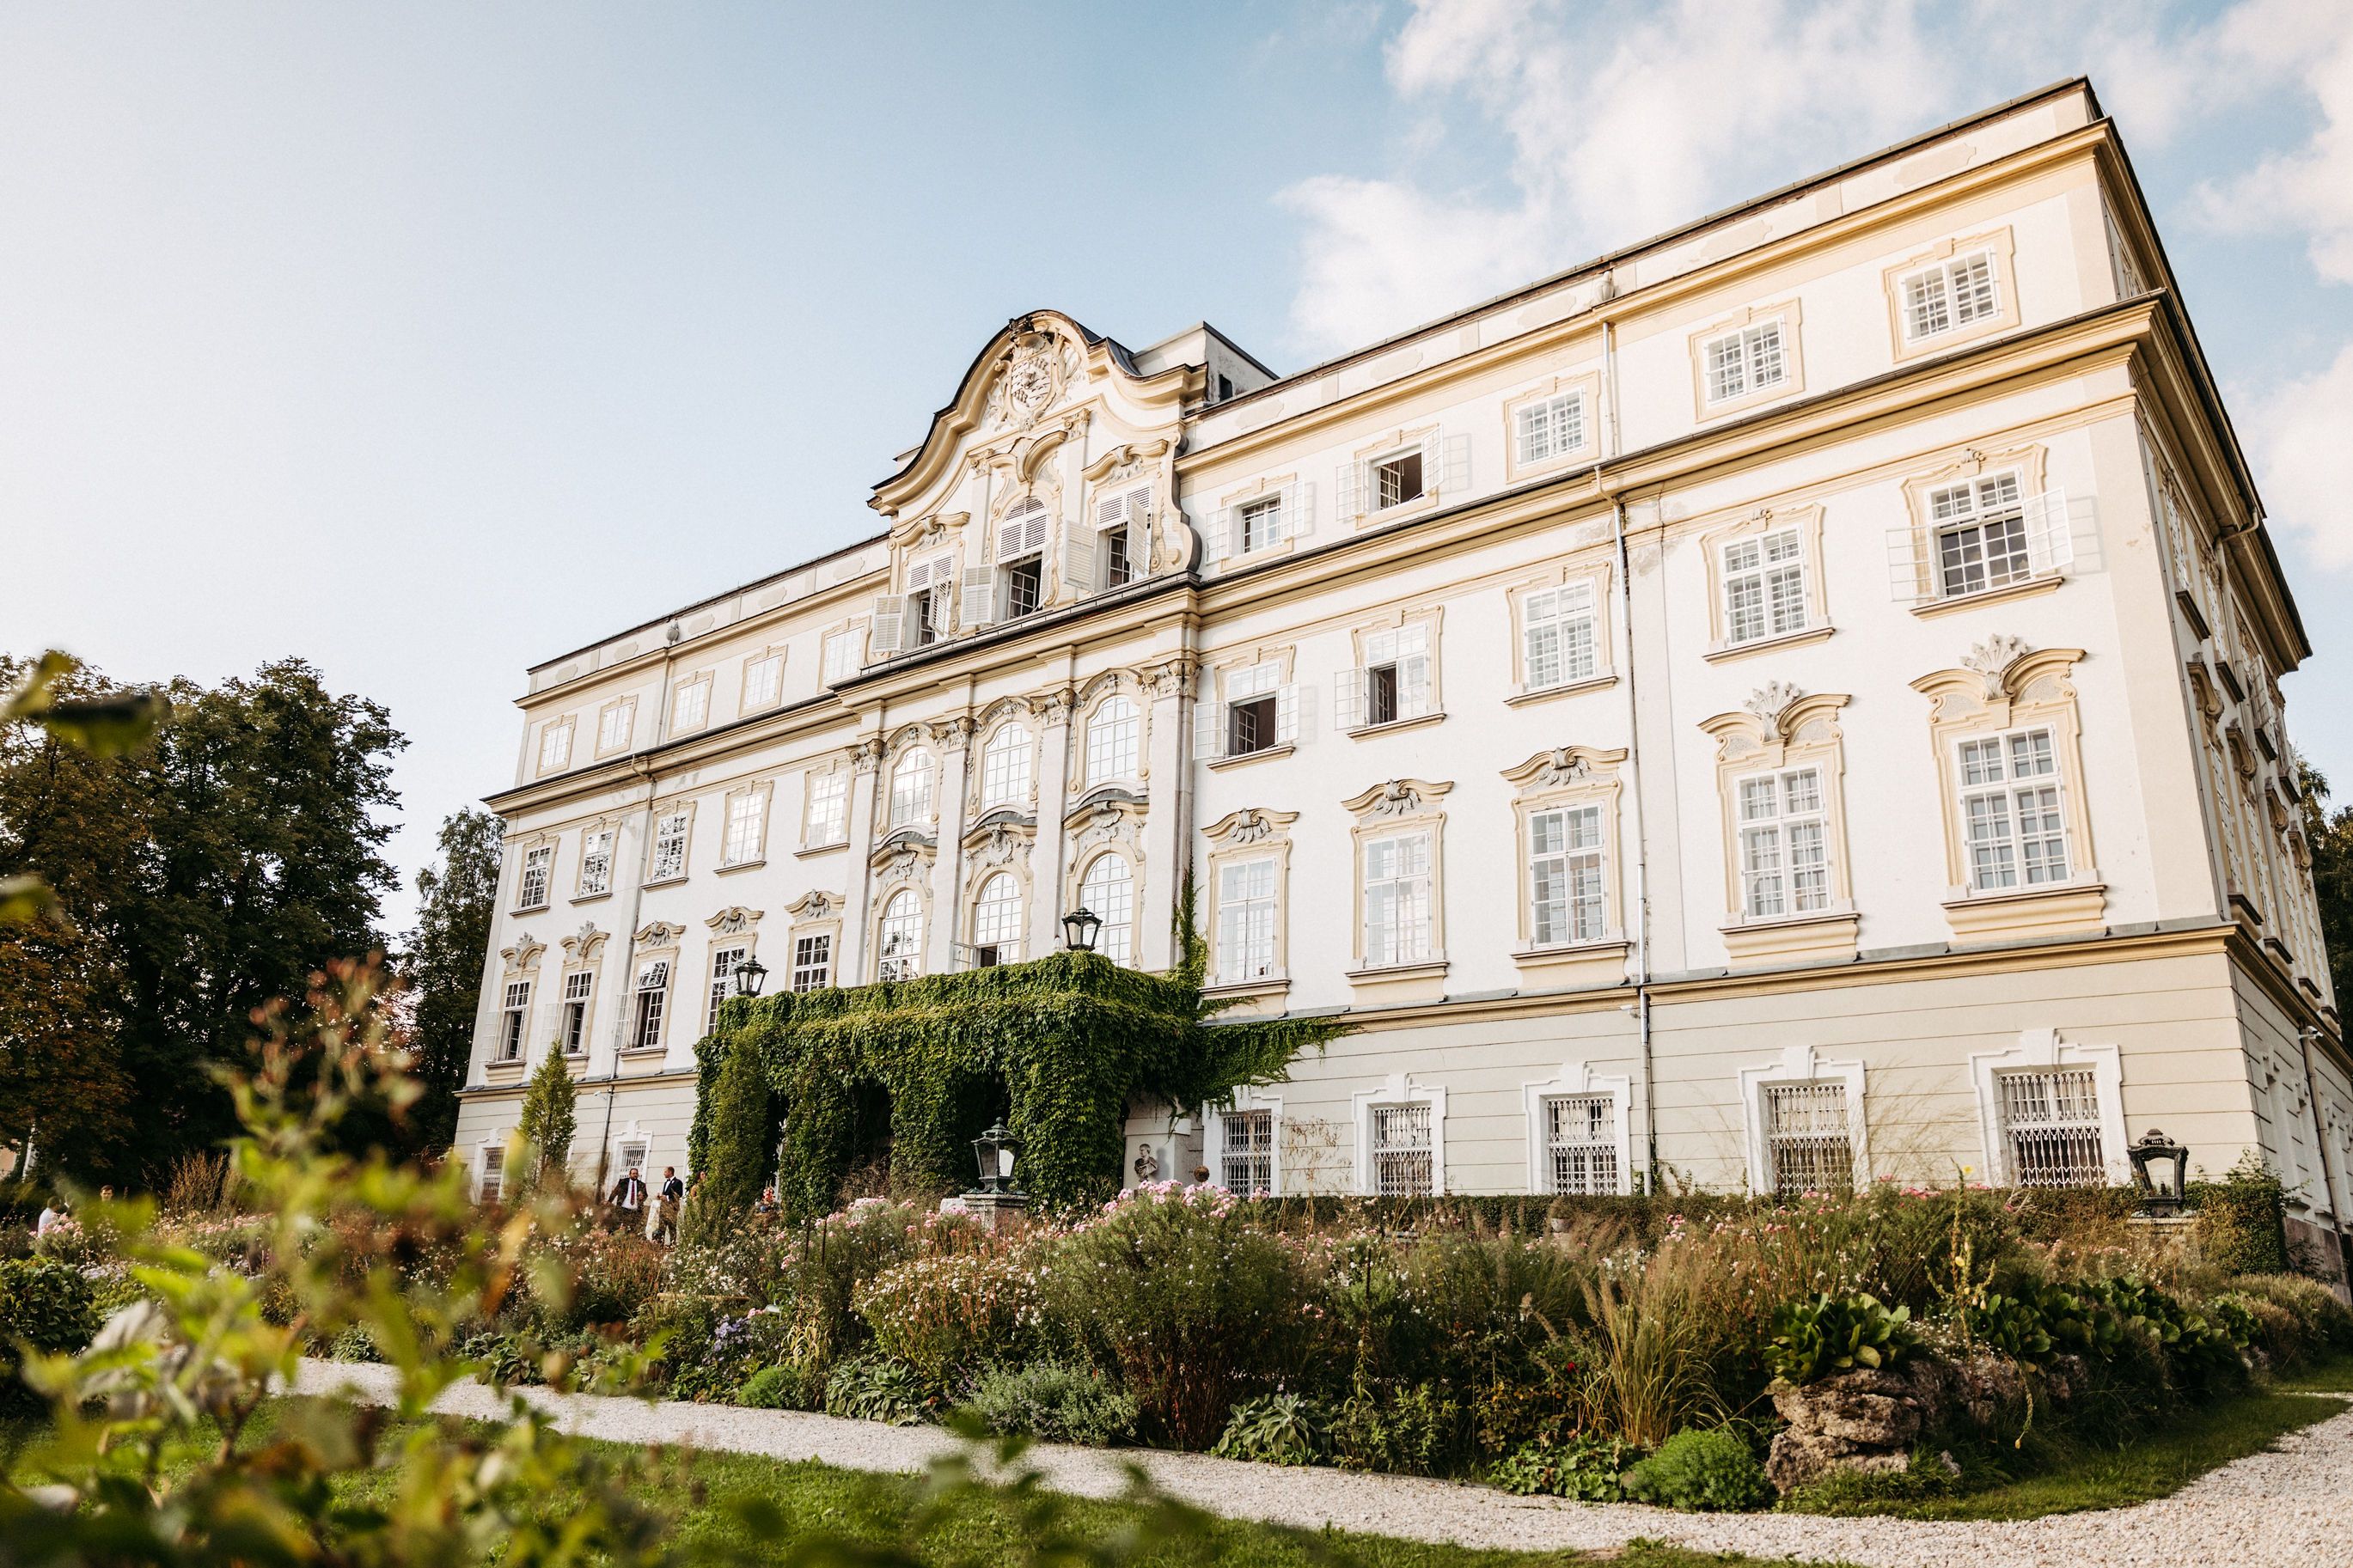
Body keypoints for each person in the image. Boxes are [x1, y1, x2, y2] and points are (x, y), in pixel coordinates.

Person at [608, 1165, 647, 1233]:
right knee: (618, 1227)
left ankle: (628, 1241)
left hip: (635, 1211)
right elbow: (615, 1192)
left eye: (636, 1173)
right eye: (633, 1173)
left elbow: (646, 1195)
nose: (635, 1175)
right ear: (630, 1174)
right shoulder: (623, 1182)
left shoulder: (641, 1184)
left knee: (632, 1229)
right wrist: (609, 1201)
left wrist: (642, 1197)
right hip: (623, 1208)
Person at [654, 1166, 685, 1244]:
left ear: (670, 1172)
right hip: (664, 1208)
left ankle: (672, 1245)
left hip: (672, 1208)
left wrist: (667, 1197)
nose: (664, 1173)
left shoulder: (678, 1182)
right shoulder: (665, 1183)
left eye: (665, 1172)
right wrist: (661, 1196)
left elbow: (679, 1194)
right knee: (661, 1227)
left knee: (672, 1228)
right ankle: (660, 1245)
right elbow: (666, 1194)